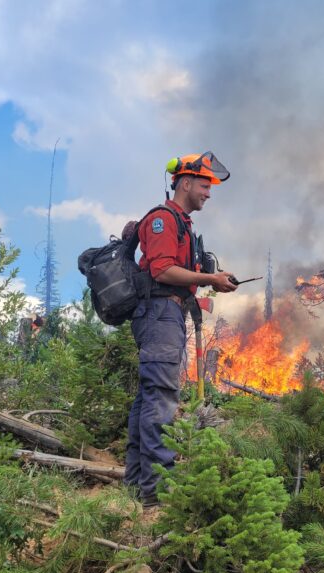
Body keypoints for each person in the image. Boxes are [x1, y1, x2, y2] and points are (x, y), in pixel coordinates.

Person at [124, 151, 237, 507]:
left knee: (148, 399)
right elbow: (161, 271)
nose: (208, 193)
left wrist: (210, 281)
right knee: (160, 398)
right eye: (204, 185)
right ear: (185, 183)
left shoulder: (182, 223)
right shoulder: (163, 220)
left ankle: (136, 488)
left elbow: (176, 274)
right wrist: (209, 278)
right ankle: (157, 496)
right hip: (159, 316)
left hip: (166, 315)